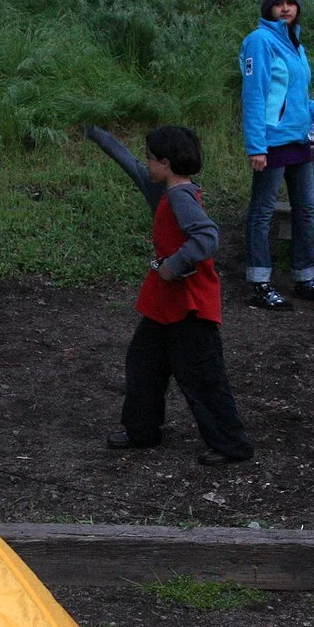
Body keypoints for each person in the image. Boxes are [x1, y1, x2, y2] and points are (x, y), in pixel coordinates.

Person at [86, 123, 255, 465]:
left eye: (150, 158)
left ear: (165, 163)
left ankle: (231, 445)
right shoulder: (163, 188)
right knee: (143, 363)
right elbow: (131, 165)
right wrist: (97, 133)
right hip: (165, 304)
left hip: (190, 305)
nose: (145, 164)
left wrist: (173, 264)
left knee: (204, 377)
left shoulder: (179, 197)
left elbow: (207, 238)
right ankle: (141, 430)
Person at [238, 0, 314, 311]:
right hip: (272, 142)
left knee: (305, 210)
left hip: (299, 140)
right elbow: (255, 96)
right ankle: (259, 283)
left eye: (290, 3)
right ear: (269, 7)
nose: (285, 8)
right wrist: (256, 146)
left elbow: (296, 98)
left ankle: (304, 278)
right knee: (263, 212)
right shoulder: (259, 41)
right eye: (279, 3)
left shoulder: (296, 44)